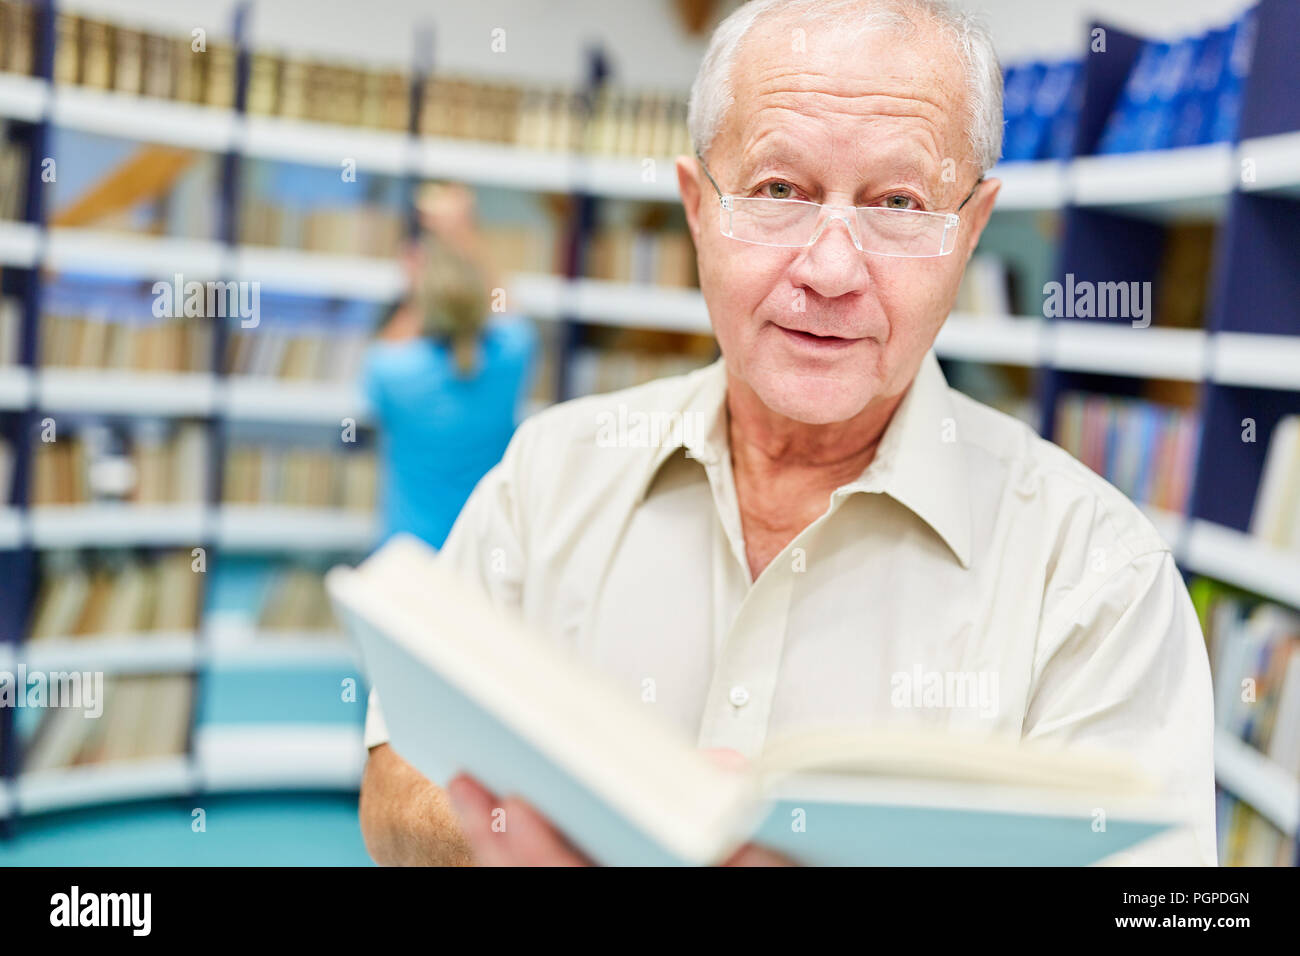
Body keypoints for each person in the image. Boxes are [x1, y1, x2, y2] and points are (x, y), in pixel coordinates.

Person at [359, 0, 1217, 866]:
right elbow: (398, 783)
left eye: (899, 202)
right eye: (779, 190)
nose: (832, 270)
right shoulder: (548, 475)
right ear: (696, 209)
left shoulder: (1100, 581)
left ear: (971, 232)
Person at [362, 183, 537, 550]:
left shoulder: (394, 372)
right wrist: (463, 233)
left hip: (409, 556)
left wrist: (417, 279)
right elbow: (506, 306)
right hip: (480, 550)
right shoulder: (508, 356)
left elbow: (387, 347)